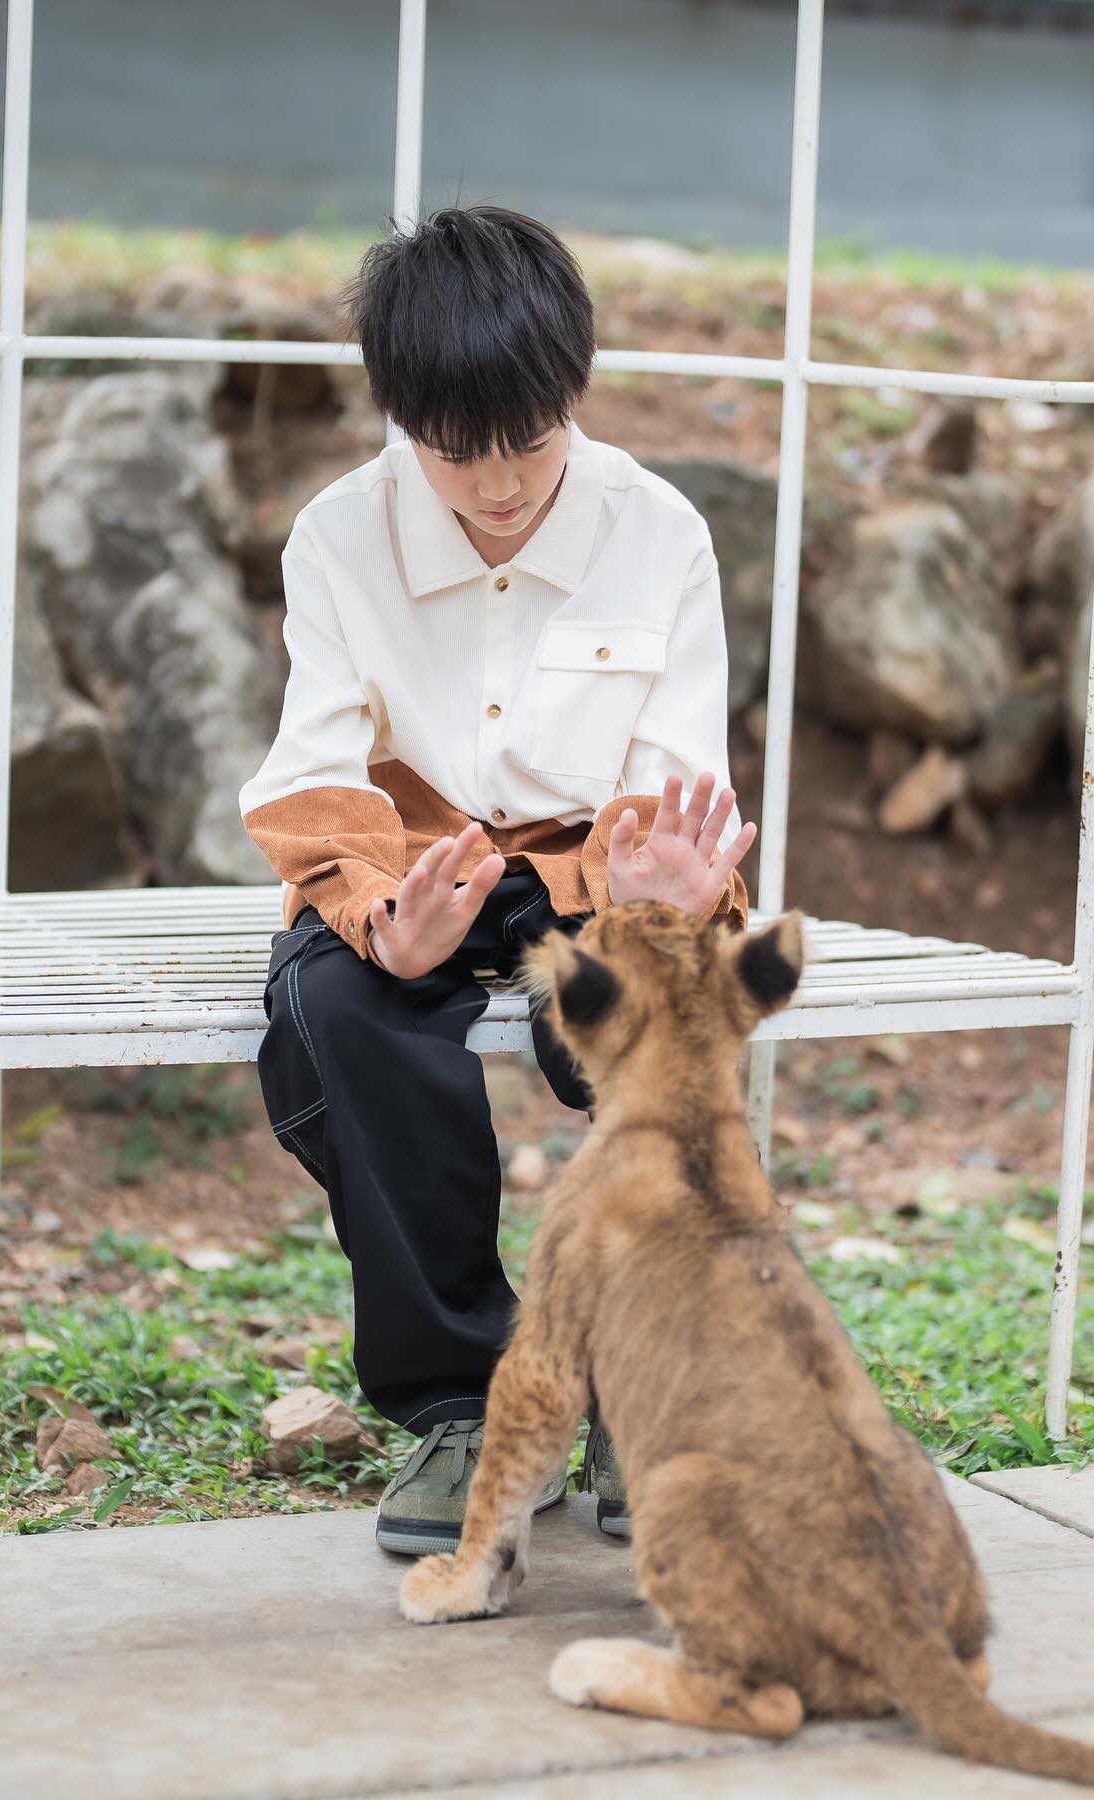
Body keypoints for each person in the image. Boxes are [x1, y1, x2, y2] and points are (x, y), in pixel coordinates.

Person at [238, 204, 756, 1556]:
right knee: (342, 1011)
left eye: (529, 441)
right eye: (457, 454)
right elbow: (317, 756)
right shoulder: (340, 537)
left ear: (570, 390)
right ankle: (466, 1402)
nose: (500, 485)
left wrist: (656, 895)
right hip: (419, 857)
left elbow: (679, 757)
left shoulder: (661, 529)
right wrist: (375, 917)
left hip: (605, 855)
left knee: (655, 1004)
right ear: (404, 421)